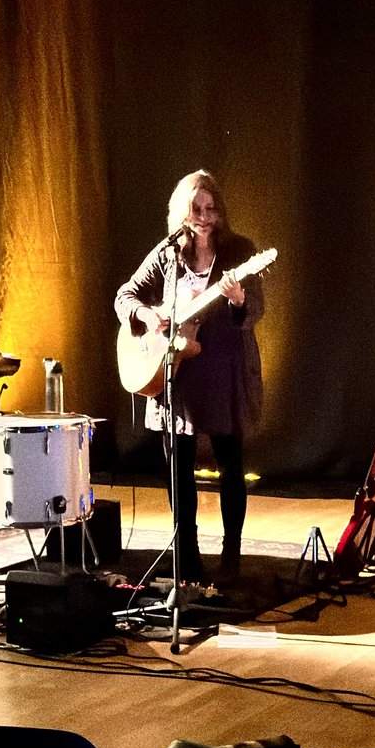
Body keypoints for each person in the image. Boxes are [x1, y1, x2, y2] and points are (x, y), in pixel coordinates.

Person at [114, 170, 264, 585]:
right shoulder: (167, 253)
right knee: (178, 470)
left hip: (223, 372)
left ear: (220, 211)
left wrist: (238, 300)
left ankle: (231, 556)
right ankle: (187, 555)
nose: (203, 216)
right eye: (195, 209)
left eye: (210, 208)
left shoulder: (241, 252)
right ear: (182, 212)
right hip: (175, 374)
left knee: (230, 467)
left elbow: (255, 312)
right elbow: (124, 295)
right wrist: (150, 314)